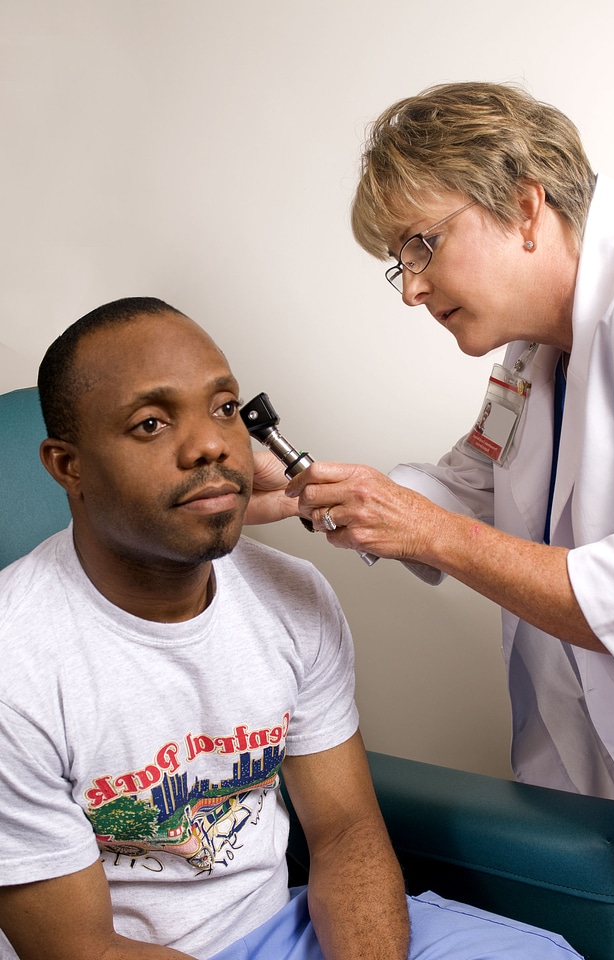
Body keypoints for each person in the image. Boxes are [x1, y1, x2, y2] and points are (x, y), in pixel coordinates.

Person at [0, 297, 581, 960]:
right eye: (152, 423)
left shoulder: (292, 596)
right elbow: (77, 948)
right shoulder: (16, 663)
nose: (211, 445)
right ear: (67, 466)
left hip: (285, 930)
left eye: (223, 408)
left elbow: (344, 833)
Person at [255, 81, 614, 804]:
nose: (412, 291)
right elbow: (478, 480)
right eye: (402, 261)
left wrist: (431, 534)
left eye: (423, 245)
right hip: (584, 784)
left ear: (525, 207)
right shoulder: (533, 348)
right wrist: (298, 487)